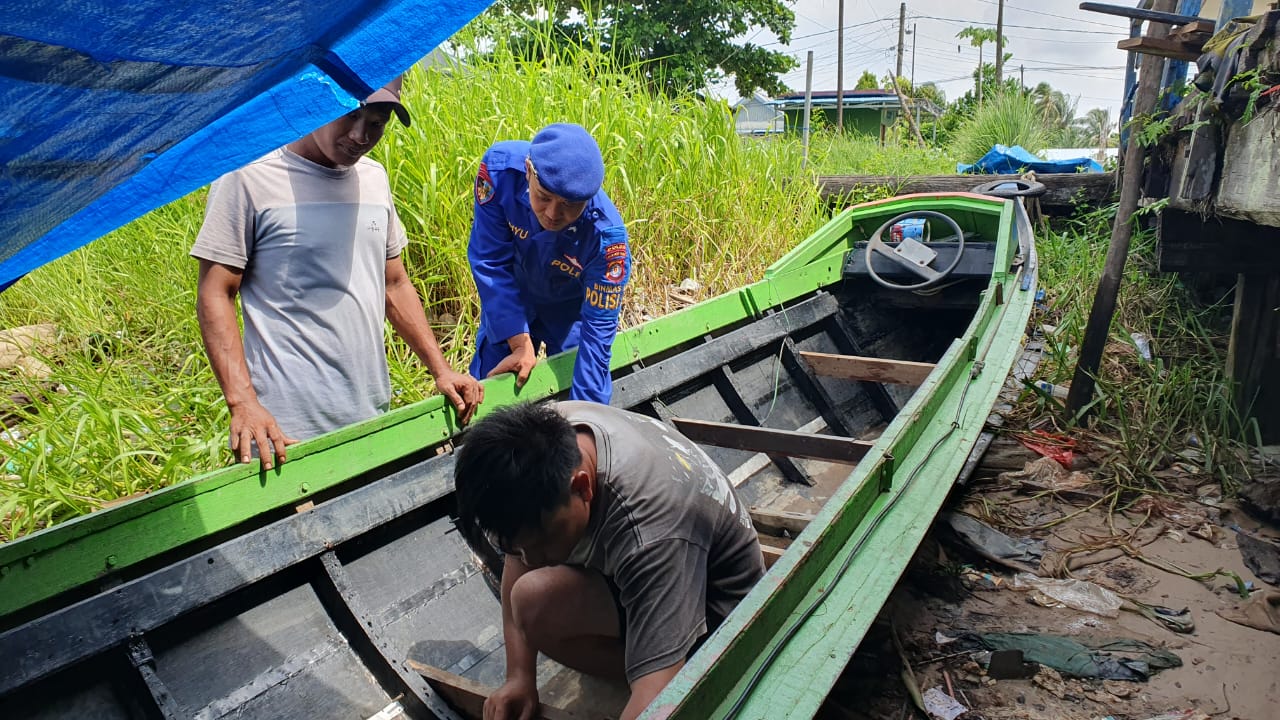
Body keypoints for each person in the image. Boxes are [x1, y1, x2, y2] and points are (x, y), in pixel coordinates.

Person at [192, 76, 482, 469]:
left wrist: (441, 369)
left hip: (370, 413)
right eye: (349, 114)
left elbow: (393, 283)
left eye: (377, 122)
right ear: (314, 101)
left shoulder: (374, 179)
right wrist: (243, 403)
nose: (361, 136)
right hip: (283, 430)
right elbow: (216, 292)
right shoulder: (249, 178)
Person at [453, 401, 764, 720]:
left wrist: (651, 685)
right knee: (531, 601)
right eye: (517, 548)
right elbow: (523, 548)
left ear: (582, 487)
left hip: (720, 611)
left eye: (544, 541)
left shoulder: (649, 533)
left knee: (662, 692)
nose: (531, 559)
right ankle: (641, 659)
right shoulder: (543, 440)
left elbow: (655, 700)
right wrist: (518, 676)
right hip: (659, 560)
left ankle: (674, 667)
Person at [467, 123, 631, 404]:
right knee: (491, 388)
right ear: (529, 170)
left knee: (576, 385)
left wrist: (587, 422)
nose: (553, 214)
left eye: (570, 205)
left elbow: (597, 338)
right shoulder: (499, 174)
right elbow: (490, 260)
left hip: (570, 311)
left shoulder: (607, 240)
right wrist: (518, 342)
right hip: (509, 298)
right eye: (543, 197)